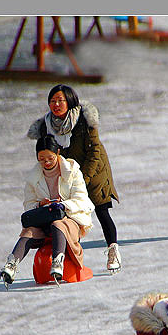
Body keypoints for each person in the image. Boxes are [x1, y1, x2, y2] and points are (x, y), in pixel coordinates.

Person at [28, 84, 122, 274]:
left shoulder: (84, 120)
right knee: (69, 216)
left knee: (102, 212)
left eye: (60, 100)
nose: (56, 104)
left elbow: (95, 151)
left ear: (70, 101)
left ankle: (113, 251)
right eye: (52, 101)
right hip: (66, 177)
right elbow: (47, 154)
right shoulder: (47, 125)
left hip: (94, 173)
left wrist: (84, 179)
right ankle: (71, 261)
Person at [0, 135, 94, 285]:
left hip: (70, 219)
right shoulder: (33, 177)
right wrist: (40, 205)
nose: (46, 162)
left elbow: (81, 199)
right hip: (45, 219)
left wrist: (63, 205)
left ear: (57, 152)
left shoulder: (72, 171)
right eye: (42, 159)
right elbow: (28, 205)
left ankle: (58, 262)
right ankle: (11, 265)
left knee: (58, 224)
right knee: (29, 231)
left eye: (50, 158)